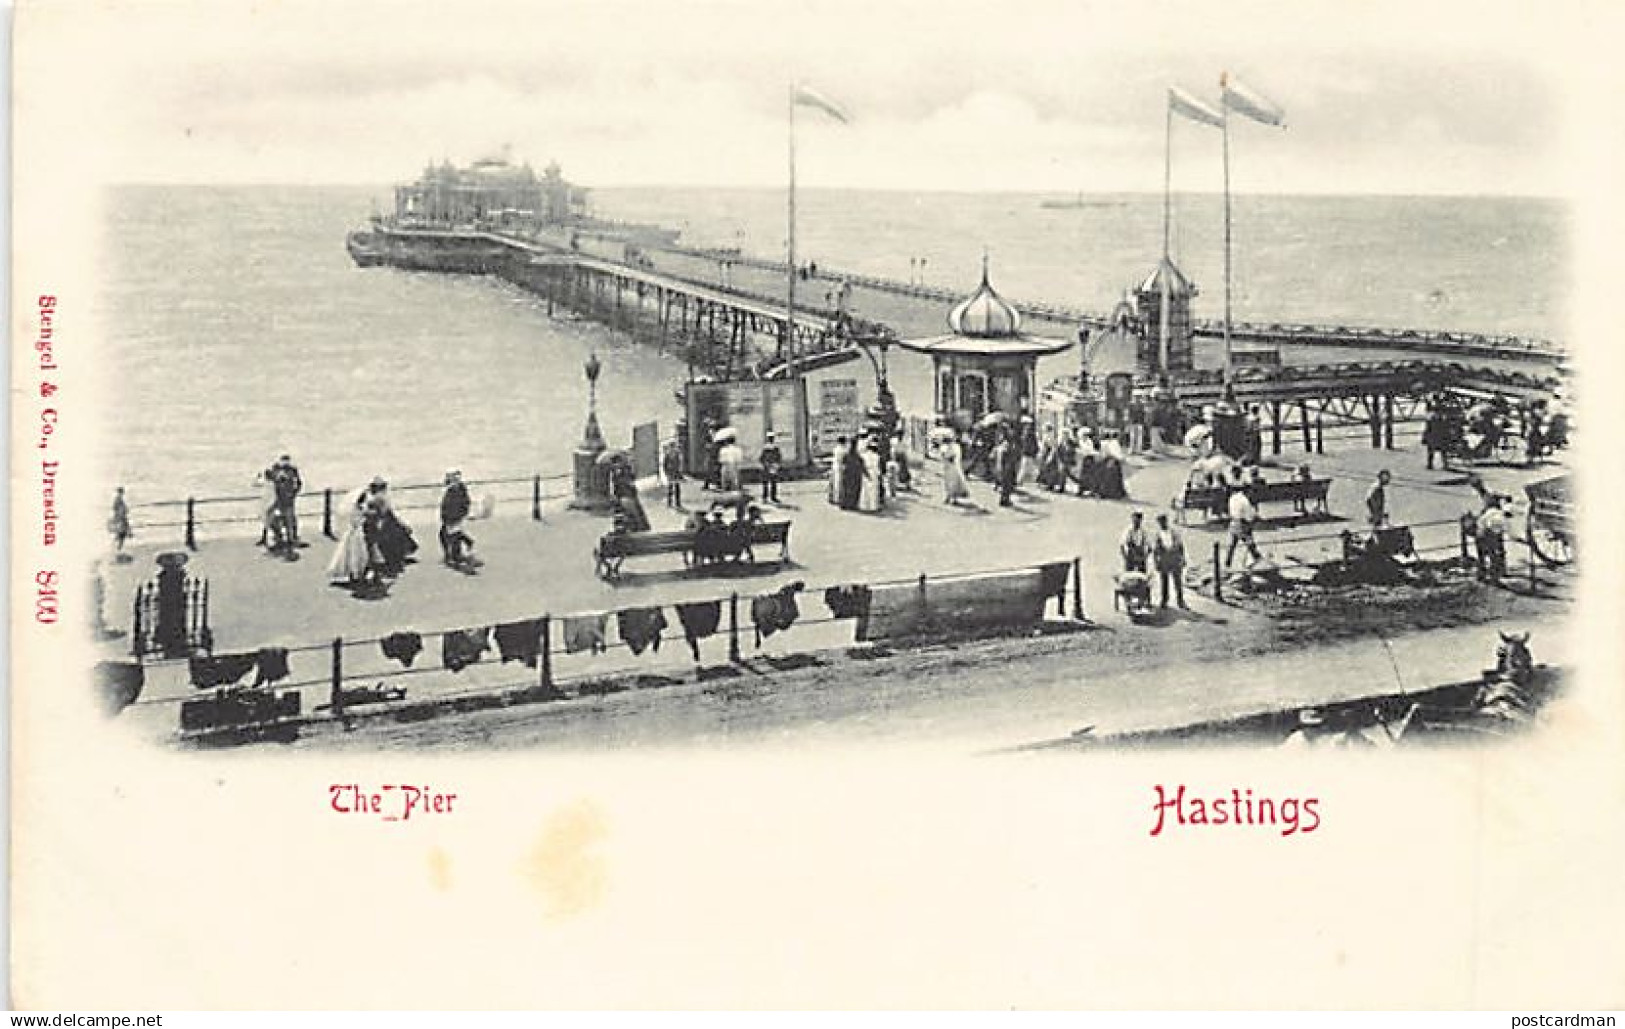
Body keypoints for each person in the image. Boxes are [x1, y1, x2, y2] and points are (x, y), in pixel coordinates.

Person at [326, 485, 375, 588]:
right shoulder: (360, 510)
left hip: (353, 534)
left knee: (353, 555)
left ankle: (356, 575)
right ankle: (357, 575)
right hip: (357, 535)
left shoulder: (355, 509)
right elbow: (361, 520)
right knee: (357, 555)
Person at [438, 469, 476, 567]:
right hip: (452, 517)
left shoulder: (455, 490)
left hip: (453, 517)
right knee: (447, 535)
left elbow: (454, 504)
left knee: (451, 537)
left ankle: (455, 556)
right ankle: (465, 544)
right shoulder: (456, 488)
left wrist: (452, 516)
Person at [266, 454, 303, 548]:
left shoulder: (293, 470)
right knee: (271, 517)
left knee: (289, 519)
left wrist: (294, 493)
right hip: (278, 499)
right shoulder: (276, 469)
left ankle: (291, 539)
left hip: (288, 499)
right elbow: (270, 478)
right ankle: (278, 536)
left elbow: (299, 483)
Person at [1153, 512, 1188, 609]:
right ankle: (1164, 600)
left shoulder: (1174, 532)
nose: (1162, 524)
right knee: (1164, 582)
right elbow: (1155, 550)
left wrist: (1183, 558)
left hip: (1174, 558)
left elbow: (1181, 546)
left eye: (1163, 521)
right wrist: (1156, 562)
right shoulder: (1158, 535)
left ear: (1166, 521)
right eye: (1160, 522)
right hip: (1164, 559)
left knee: (1177, 581)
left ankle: (1180, 601)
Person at [1225, 484, 1261, 567]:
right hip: (1243, 524)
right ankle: (1258, 559)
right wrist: (1254, 517)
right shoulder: (1245, 501)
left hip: (1233, 522)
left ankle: (1227, 563)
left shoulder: (1233, 497)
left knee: (1232, 545)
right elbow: (1249, 516)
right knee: (1250, 543)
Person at [1476, 496, 1509, 581]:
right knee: (1494, 555)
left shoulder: (1485, 513)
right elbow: (1504, 526)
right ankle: (1496, 575)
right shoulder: (1498, 513)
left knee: (1482, 555)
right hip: (1492, 534)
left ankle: (1481, 574)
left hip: (1482, 533)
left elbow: (1480, 523)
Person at [940, 433, 971, 505]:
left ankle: (954, 498)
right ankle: (948, 497)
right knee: (947, 482)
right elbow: (943, 455)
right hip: (947, 467)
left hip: (954, 466)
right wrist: (946, 457)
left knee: (954, 482)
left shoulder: (956, 446)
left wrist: (951, 458)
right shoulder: (944, 447)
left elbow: (955, 456)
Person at [994, 428, 1020, 508]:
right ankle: (1004, 500)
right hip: (1007, 467)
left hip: (1005, 467)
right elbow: (1006, 457)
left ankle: (1004, 499)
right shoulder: (1007, 445)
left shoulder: (1003, 445)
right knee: (1006, 485)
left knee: (1006, 485)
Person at [838, 435, 864, 510]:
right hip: (854, 473)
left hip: (848, 472)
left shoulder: (847, 453)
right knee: (853, 488)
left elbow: (843, 462)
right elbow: (861, 463)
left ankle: (845, 503)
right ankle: (851, 504)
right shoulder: (857, 455)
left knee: (847, 488)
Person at [858, 440, 883, 512]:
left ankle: (864, 506)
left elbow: (862, 465)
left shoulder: (863, 455)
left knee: (865, 489)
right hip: (873, 472)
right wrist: (879, 474)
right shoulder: (877, 456)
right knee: (873, 490)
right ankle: (873, 507)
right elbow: (878, 466)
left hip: (866, 471)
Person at [759, 432, 783, 503]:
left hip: (767, 466)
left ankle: (765, 497)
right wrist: (777, 464)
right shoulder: (775, 447)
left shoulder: (765, 447)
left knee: (767, 482)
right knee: (772, 482)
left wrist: (764, 463)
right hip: (772, 466)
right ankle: (772, 497)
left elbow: (762, 458)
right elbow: (779, 457)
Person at [661, 440, 685, 509]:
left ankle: (677, 503)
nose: (673, 448)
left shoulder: (677, 454)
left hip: (676, 473)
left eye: (673, 446)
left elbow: (679, 463)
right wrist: (666, 473)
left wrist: (680, 471)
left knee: (677, 488)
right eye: (672, 447)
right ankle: (670, 502)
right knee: (670, 488)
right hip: (670, 473)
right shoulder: (667, 455)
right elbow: (664, 465)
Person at [108, 487, 131, 556]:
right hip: (120, 518)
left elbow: (116, 509)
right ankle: (117, 549)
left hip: (120, 518)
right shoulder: (118, 499)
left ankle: (117, 548)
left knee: (120, 534)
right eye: (121, 492)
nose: (122, 493)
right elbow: (116, 509)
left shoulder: (118, 499)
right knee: (121, 534)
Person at [828, 436, 848, 506]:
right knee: (840, 483)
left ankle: (834, 498)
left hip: (835, 466)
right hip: (841, 466)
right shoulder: (844, 450)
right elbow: (844, 459)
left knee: (835, 482)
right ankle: (839, 498)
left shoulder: (836, 449)